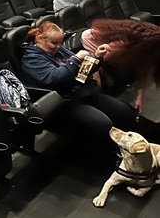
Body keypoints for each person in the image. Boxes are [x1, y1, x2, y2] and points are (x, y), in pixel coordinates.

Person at [21, 22, 160, 153]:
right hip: (67, 103)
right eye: (54, 43)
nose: (58, 46)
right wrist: (75, 59)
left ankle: (154, 136)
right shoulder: (31, 59)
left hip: (84, 93)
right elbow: (55, 80)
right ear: (40, 39)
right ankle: (115, 156)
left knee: (125, 112)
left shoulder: (57, 51)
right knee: (103, 125)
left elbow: (83, 73)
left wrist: (97, 57)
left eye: (59, 43)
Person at [81, 19, 160, 114]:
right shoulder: (125, 44)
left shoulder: (147, 44)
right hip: (91, 43)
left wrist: (139, 96)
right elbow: (106, 58)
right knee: (97, 85)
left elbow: (143, 69)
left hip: (106, 50)